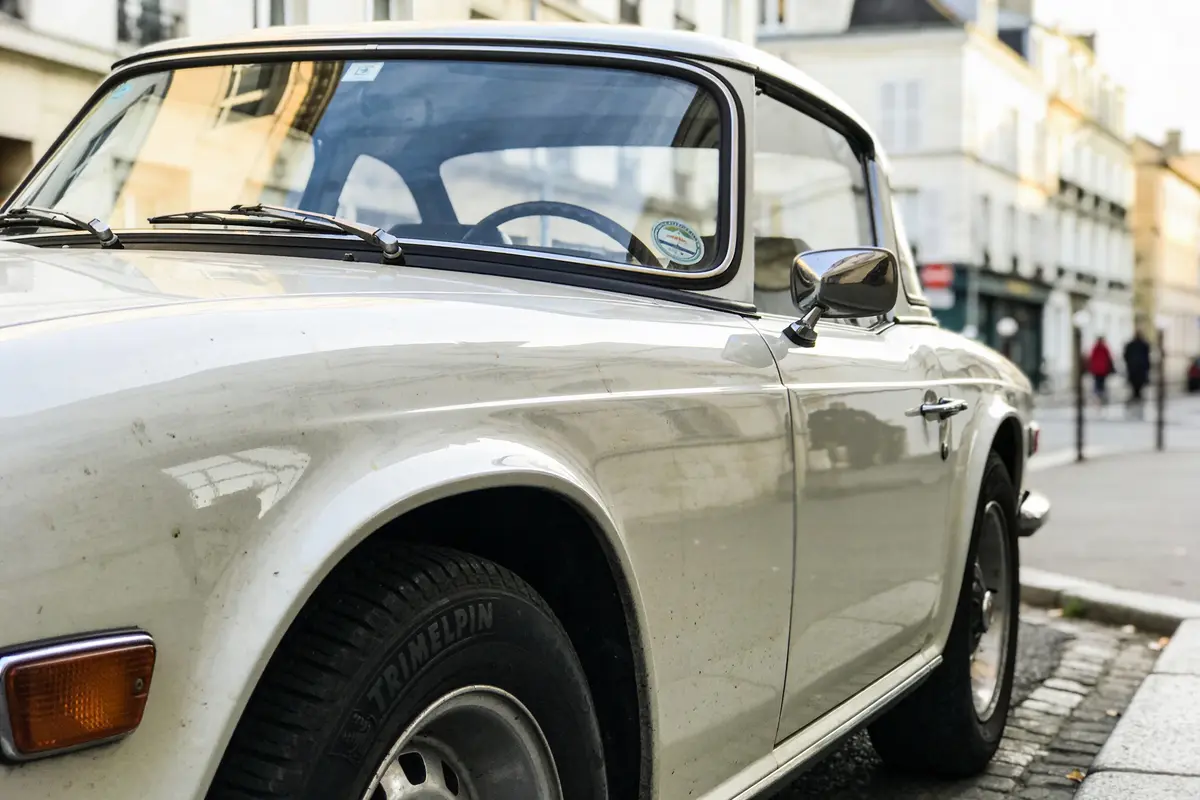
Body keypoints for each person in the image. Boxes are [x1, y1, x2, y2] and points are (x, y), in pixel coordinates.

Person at [1123, 331, 1152, 416]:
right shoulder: (1143, 345)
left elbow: (1126, 355)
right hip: (1139, 369)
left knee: (1135, 384)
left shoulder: (1133, 345)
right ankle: (1137, 397)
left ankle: (1136, 397)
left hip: (1134, 368)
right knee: (1138, 384)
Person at [1088, 336, 1116, 405]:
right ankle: (1101, 394)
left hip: (1097, 369)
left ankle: (1098, 394)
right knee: (1102, 382)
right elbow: (1109, 357)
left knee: (1097, 382)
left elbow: (1091, 358)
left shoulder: (1095, 348)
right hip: (1103, 369)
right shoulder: (1104, 348)